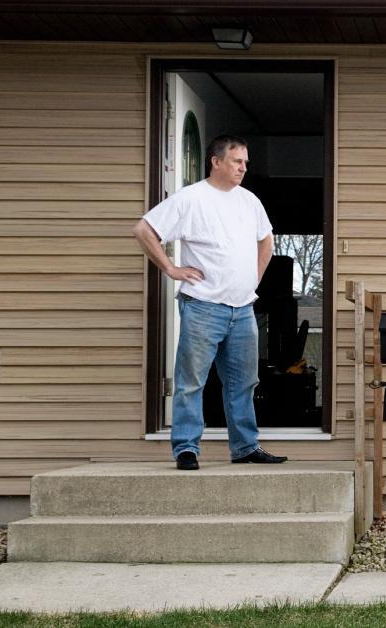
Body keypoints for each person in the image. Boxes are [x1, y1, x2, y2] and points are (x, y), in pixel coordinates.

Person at [133, 135, 288, 470]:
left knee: (244, 382)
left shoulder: (249, 202)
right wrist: (171, 269)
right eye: (237, 161)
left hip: (243, 309)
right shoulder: (191, 199)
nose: (243, 168)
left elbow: (267, 242)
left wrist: (252, 281)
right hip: (203, 306)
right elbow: (144, 230)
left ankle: (245, 447)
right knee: (191, 382)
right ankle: (186, 449)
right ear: (216, 162)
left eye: (245, 162)